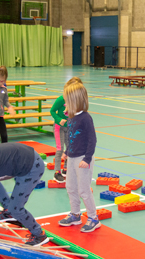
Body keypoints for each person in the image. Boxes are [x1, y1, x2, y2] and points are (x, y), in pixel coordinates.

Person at [58, 80, 100, 233]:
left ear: (75, 101)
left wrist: (87, 159)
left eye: (67, 101)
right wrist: (67, 151)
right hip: (72, 157)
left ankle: (93, 218)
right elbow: (71, 136)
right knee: (70, 187)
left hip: (83, 158)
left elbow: (92, 140)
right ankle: (75, 214)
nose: (65, 104)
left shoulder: (85, 118)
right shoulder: (71, 117)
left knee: (83, 190)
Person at [50, 77, 82, 183]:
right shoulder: (60, 100)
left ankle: (66, 169)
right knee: (59, 150)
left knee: (69, 148)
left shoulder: (74, 101)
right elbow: (52, 111)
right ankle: (57, 172)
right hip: (59, 128)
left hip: (69, 128)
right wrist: (59, 120)